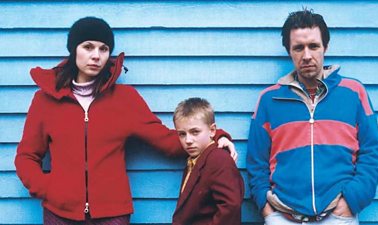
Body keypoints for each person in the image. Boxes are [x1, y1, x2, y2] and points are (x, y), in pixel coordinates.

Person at [14, 17, 237, 224]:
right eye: (88, 47)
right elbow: (27, 156)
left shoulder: (125, 99)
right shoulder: (45, 100)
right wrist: (49, 189)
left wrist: (216, 137)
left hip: (113, 214)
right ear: (74, 50)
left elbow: (167, 142)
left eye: (104, 49)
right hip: (60, 213)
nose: (96, 55)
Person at [246, 9, 378, 225]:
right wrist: (266, 208)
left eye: (314, 46)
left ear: (325, 47)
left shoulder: (353, 92)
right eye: (298, 48)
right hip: (283, 216)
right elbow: (256, 160)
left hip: (338, 214)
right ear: (289, 51)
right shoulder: (268, 99)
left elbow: (373, 151)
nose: (307, 55)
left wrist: (353, 199)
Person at [171, 97, 244, 225]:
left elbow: (230, 207)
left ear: (212, 131)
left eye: (195, 132)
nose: (188, 140)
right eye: (182, 134)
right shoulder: (195, 159)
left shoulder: (218, 159)